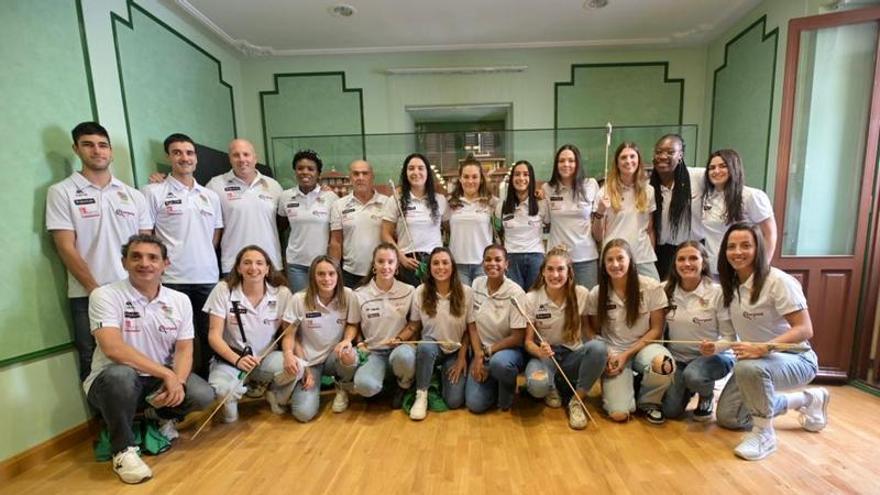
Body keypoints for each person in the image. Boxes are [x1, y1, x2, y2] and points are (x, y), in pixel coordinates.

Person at [83, 234, 213, 484]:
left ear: (166, 264)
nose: (145, 263)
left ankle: (157, 417)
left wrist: (179, 382)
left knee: (202, 394)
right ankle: (123, 451)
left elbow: (185, 349)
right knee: (120, 375)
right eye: (136, 257)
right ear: (124, 262)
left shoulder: (180, 300)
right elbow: (113, 348)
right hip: (112, 380)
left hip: (155, 381)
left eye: (153, 258)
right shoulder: (104, 295)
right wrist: (167, 374)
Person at [713, 223, 829, 461]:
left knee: (746, 366)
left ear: (759, 248)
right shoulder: (729, 285)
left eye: (746, 245)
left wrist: (763, 347)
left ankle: (764, 434)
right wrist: (714, 347)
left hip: (797, 359)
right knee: (729, 417)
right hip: (755, 361)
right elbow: (730, 335)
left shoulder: (778, 281)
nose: (737, 252)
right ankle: (806, 400)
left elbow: (805, 329)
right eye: (731, 246)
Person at [46, 121, 151, 380]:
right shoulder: (62, 192)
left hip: (132, 293)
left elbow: (145, 246)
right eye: (88, 145)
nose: (97, 151)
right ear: (76, 149)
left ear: (111, 151)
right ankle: (105, 418)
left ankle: (144, 414)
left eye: (102, 145)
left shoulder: (133, 195)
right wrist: (95, 290)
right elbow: (65, 247)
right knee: (91, 357)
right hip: (86, 294)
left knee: (140, 354)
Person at [142, 133, 223, 378]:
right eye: (177, 152)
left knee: (210, 335)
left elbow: (215, 233)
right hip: (172, 278)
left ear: (196, 158)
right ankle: (178, 386)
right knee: (173, 337)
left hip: (207, 277)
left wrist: (201, 254)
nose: (184, 157)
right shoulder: (153, 192)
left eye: (189, 152)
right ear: (169, 157)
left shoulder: (209, 196)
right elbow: (147, 235)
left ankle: (212, 384)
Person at [203, 245, 292, 423]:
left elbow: (289, 333)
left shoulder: (282, 293)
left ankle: (272, 393)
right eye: (247, 263)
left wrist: (290, 355)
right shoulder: (223, 289)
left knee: (296, 368)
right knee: (223, 392)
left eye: (259, 263)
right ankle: (232, 410)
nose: (253, 268)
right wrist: (237, 360)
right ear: (238, 268)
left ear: (267, 269)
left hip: (265, 359)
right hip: (232, 359)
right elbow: (213, 335)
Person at [264, 256, 358, 422]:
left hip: (333, 357)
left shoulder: (348, 295)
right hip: (309, 360)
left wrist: (347, 340)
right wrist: (297, 361)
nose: (327, 279)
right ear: (313, 277)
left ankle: (342, 388)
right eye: (321, 274)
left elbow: (352, 324)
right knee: (303, 414)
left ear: (338, 275)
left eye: (331, 274)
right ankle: (280, 390)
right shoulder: (299, 299)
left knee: (349, 355)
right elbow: (290, 335)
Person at [588, 238, 673, 424]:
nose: (615, 264)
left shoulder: (650, 286)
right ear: (603, 264)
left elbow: (657, 330)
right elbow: (593, 331)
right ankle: (625, 390)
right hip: (614, 353)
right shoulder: (597, 292)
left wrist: (627, 355)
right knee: (619, 414)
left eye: (620, 258)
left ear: (630, 260)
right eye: (609, 260)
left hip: (644, 347)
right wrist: (608, 354)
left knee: (664, 364)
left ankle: (649, 402)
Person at [524, 245, 607, 430]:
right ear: (542, 272)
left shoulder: (581, 294)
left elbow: (587, 331)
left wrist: (600, 351)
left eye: (560, 269)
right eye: (550, 269)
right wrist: (539, 350)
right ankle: (552, 386)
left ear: (569, 271)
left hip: (572, 356)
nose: (555, 275)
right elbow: (528, 342)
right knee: (538, 388)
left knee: (599, 348)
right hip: (546, 358)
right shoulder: (531, 298)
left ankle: (576, 401)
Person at [660, 241, 736, 421]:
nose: (687, 264)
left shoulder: (718, 292)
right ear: (675, 264)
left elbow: (730, 337)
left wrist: (715, 348)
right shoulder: (664, 289)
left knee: (693, 375)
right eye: (681, 259)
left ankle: (706, 395)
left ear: (704, 263)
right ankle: (689, 387)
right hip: (678, 358)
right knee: (670, 412)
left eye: (693, 258)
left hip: (713, 358)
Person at [395, 247, 473, 421]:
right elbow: (414, 325)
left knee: (454, 401)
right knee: (426, 347)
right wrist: (399, 339)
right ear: (429, 268)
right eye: (435, 263)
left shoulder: (466, 292)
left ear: (452, 266)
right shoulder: (420, 292)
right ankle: (421, 394)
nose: (440, 267)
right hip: (432, 349)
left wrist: (461, 358)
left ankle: (434, 375)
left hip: (455, 350)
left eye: (445, 262)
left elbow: (470, 329)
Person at [348, 243, 417, 404]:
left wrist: (400, 339)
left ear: (397, 265)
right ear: (373, 264)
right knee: (364, 386)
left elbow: (414, 325)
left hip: (399, 349)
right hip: (374, 353)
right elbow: (354, 325)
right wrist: (359, 343)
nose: (386, 266)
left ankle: (403, 385)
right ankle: (384, 384)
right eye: (380, 261)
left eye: (390, 262)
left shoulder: (409, 291)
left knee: (405, 357)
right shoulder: (359, 294)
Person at [206, 139, 283, 277]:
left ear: (255, 158)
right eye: (236, 155)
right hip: (233, 264)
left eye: (246, 154)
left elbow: (283, 221)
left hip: (270, 263)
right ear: (230, 159)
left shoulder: (273, 186)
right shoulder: (215, 185)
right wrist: (163, 182)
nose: (242, 159)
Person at [465, 244, 527, 413]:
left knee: (499, 365)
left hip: (506, 353)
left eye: (498, 260)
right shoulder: (477, 284)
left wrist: (487, 352)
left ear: (507, 264)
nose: (493, 263)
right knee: (474, 404)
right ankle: (492, 382)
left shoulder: (516, 293)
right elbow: (472, 325)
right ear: (482, 263)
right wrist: (478, 354)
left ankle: (505, 383)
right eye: (488, 259)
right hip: (481, 352)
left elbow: (517, 337)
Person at [698, 149, 776, 276]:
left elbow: (770, 234)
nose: (716, 171)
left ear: (734, 168)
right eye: (712, 168)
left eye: (723, 166)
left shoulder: (751, 196)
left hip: (744, 269)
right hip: (714, 270)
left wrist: (761, 268)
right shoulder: (708, 198)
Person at [594, 142, 659, 280]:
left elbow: (650, 229)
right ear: (617, 163)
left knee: (654, 293)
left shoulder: (649, 191)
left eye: (632, 156)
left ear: (638, 160)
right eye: (623, 157)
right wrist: (599, 211)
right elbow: (598, 236)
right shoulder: (604, 193)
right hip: (615, 259)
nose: (628, 161)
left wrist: (650, 252)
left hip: (642, 257)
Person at [381, 153, 448, 286]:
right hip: (408, 262)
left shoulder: (440, 200)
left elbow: (450, 228)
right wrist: (400, 257)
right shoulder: (396, 200)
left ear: (427, 172)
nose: (416, 172)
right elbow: (385, 233)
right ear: (405, 173)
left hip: (435, 261)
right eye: (411, 168)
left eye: (420, 168)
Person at [278, 149, 339, 292]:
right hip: (296, 264)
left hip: (323, 264)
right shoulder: (285, 197)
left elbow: (336, 235)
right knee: (301, 305)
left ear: (318, 173)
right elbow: (280, 227)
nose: (305, 172)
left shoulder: (331, 198)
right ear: (295, 171)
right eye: (300, 168)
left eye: (310, 169)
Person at [542, 145, 601, 288]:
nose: (566, 164)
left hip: (585, 257)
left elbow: (598, 220)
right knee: (558, 305)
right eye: (561, 161)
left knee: (587, 305)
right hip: (558, 260)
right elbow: (546, 220)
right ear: (556, 165)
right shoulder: (547, 189)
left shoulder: (590, 185)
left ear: (578, 163)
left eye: (571, 160)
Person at [649, 134, 704, 279]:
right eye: (659, 152)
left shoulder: (698, 177)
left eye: (670, 152)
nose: (662, 156)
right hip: (663, 253)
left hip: (693, 249)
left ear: (680, 155)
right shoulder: (648, 185)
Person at [329, 160, 389, 289]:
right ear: (350, 177)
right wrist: (333, 271)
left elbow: (393, 237)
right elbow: (336, 242)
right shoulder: (339, 205)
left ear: (372, 177)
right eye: (356, 174)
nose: (360, 178)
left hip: (382, 272)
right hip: (350, 274)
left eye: (365, 173)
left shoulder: (387, 203)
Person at [497, 160, 548, 290]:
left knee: (535, 299)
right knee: (515, 301)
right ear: (512, 178)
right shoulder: (502, 206)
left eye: (526, 174)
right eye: (517, 174)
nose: (521, 178)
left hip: (536, 257)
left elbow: (549, 221)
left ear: (531, 178)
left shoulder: (540, 203)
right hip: (511, 259)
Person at [447, 156, 497, 285]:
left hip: (483, 264)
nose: (470, 181)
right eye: (466, 176)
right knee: (463, 304)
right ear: (460, 179)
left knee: (483, 303)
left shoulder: (492, 202)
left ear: (481, 179)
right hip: (458, 264)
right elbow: (445, 227)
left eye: (474, 177)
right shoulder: (450, 203)